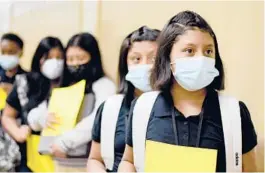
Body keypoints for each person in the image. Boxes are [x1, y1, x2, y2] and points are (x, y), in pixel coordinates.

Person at [119, 11, 257, 172]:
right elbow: (128, 161)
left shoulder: (234, 111)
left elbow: (250, 169)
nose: (201, 58)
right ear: (168, 57)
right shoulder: (143, 107)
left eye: (208, 51)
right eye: (189, 51)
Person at [87, 26, 160, 172]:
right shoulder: (110, 108)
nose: (145, 65)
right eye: (136, 59)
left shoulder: (178, 107)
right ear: (125, 64)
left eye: (153, 58)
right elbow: (95, 159)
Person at [48, 33, 116, 171]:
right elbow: (43, 111)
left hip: (89, 161)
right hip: (60, 160)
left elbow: (97, 119)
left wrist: (65, 142)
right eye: (70, 59)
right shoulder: (64, 86)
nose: (75, 64)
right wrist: (43, 119)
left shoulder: (104, 85)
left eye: (80, 58)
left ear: (93, 58)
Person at [1, 36, 64, 172]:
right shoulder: (25, 82)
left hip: (62, 156)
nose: (55, 62)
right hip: (30, 158)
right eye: (48, 57)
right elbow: (8, 115)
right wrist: (18, 132)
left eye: (59, 57)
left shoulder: (70, 84)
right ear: (39, 58)